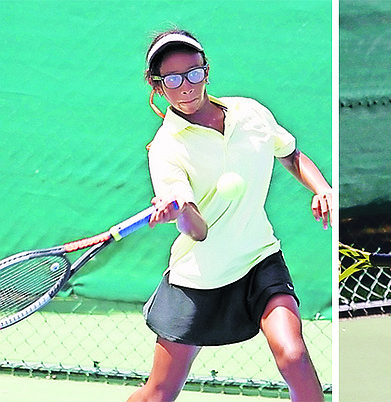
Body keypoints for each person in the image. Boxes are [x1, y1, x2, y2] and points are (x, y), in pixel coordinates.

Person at [127, 29, 331, 402]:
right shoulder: (167, 149)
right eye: (172, 79)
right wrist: (180, 211)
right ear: (157, 87)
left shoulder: (250, 113)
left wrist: (322, 189)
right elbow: (198, 231)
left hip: (258, 258)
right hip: (198, 277)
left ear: (207, 70)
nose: (185, 86)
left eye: (193, 73)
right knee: (159, 393)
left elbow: (290, 154)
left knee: (294, 356)